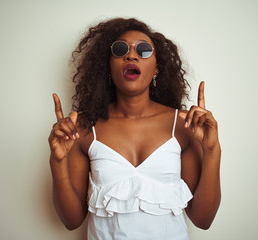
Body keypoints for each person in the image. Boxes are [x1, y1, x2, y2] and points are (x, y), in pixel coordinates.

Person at [48, 18, 221, 240]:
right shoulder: (83, 129)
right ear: (108, 67)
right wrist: (57, 161)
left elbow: (203, 220)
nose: (131, 55)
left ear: (157, 67)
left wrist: (213, 150)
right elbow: (71, 221)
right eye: (120, 50)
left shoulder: (184, 126)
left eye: (144, 50)